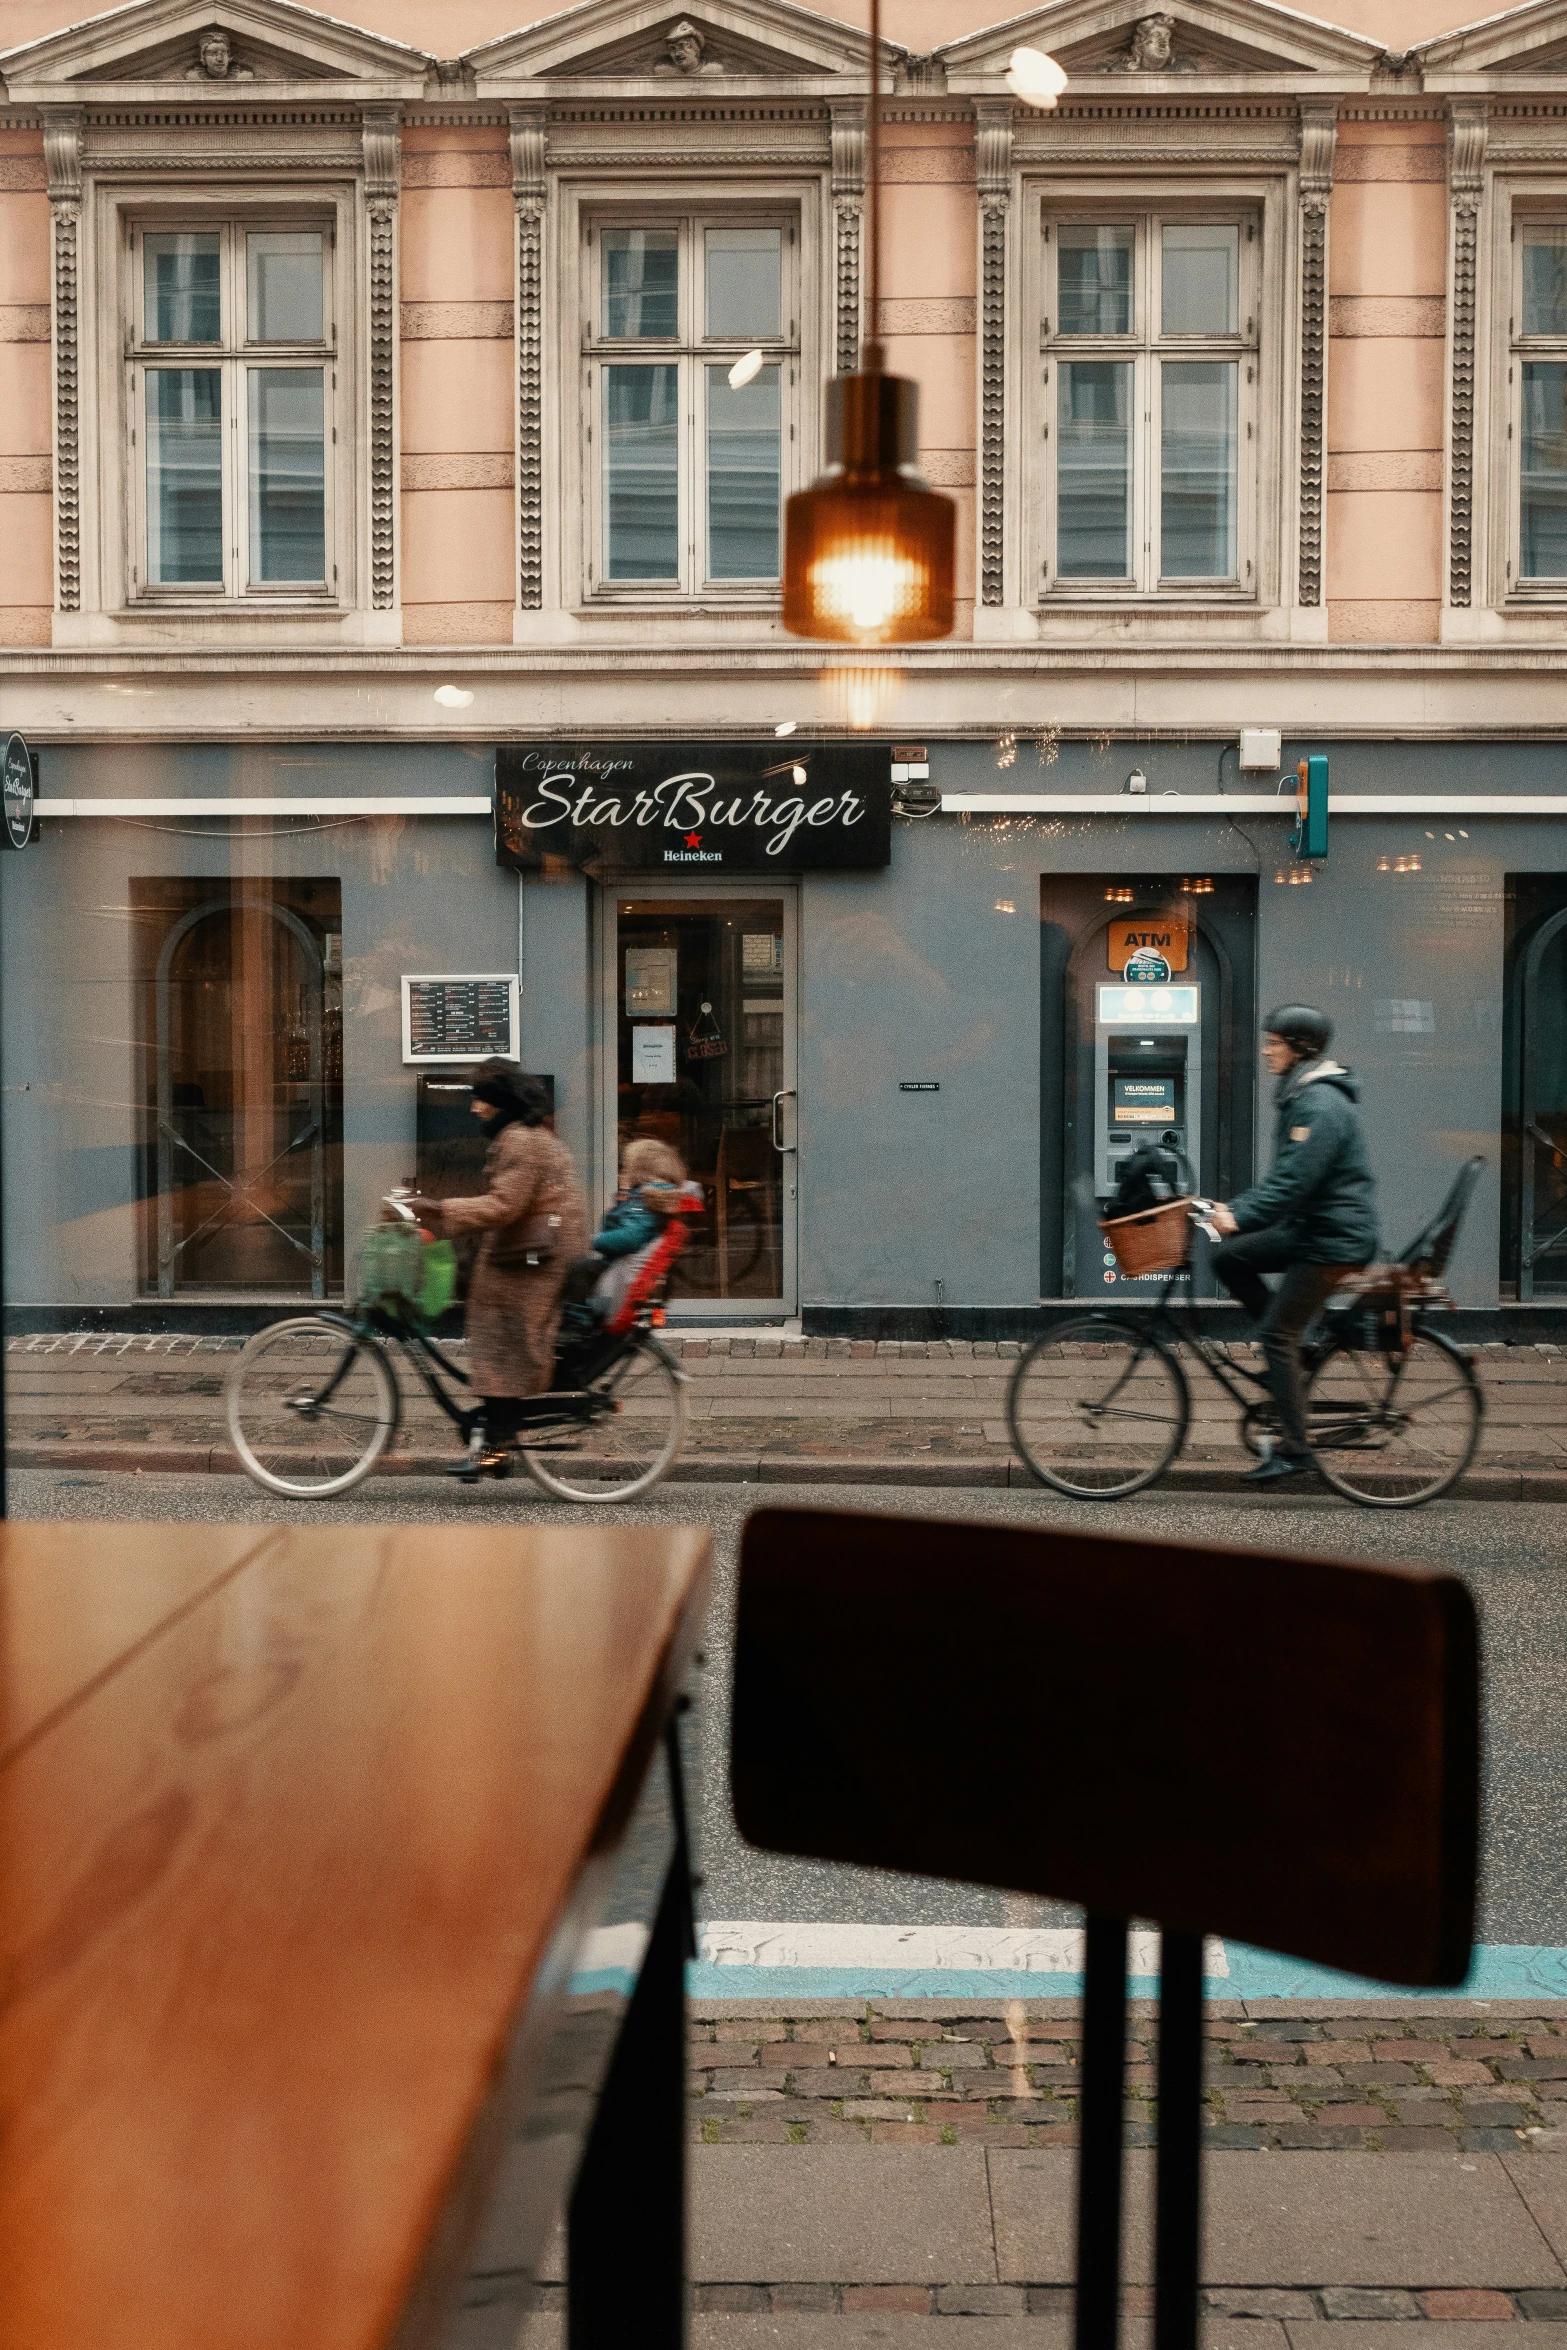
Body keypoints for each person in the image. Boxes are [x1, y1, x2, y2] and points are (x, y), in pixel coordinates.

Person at [1208, 1006, 1378, 1485]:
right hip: (1314, 1228)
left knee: (1275, 1335)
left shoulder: (1319, 1104)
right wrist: (1234, 1213)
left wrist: (1237, 1215)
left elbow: (1292, 1185)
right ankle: (1298, 1349)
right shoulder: (1306, 1094)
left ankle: (1296, 1449)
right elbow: (1284, 1183)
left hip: (1332, 1241)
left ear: (1300, 1048)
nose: (1266, 1050)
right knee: (1229, 1258)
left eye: (1275, 1042)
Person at [410, 1062, 586, 1482]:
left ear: (499, 1103)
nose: (474, 1109)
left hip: (535, 1258)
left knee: (500, 1330)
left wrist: (440, 1209)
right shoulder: (526, 1134)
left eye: (480, 1100)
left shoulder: (522, 1141)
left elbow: (505, 1205)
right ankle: (495, 1440)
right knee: (494, 1326)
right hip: (528, 1250)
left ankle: (495, 1443)